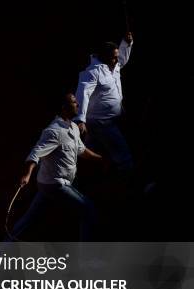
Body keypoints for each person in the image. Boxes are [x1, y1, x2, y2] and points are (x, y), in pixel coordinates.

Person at [7, 93, 103, 241]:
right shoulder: (53, 131)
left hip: (49, 183)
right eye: (74, 102)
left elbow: (81, 150)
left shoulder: (74, 127)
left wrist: (101, 159)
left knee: (30, 219)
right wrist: (27, 175)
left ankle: (2, 249)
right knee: (88, 210)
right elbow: (35, 154)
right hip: (55, 184)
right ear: (64, 108)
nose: (78, 104)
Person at [75, 32, 134, 175]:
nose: (117, 60)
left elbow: (122, 59)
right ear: (104, 56)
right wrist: (80, 119)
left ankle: (82, 175)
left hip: (105, 120)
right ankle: (130, 177)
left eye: (116, 56)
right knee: (121, 151)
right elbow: (83, 94)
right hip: (101, 121)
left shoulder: (114, 65)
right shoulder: (93, 72)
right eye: (113, 57)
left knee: (88, 149)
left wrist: (126, 44)